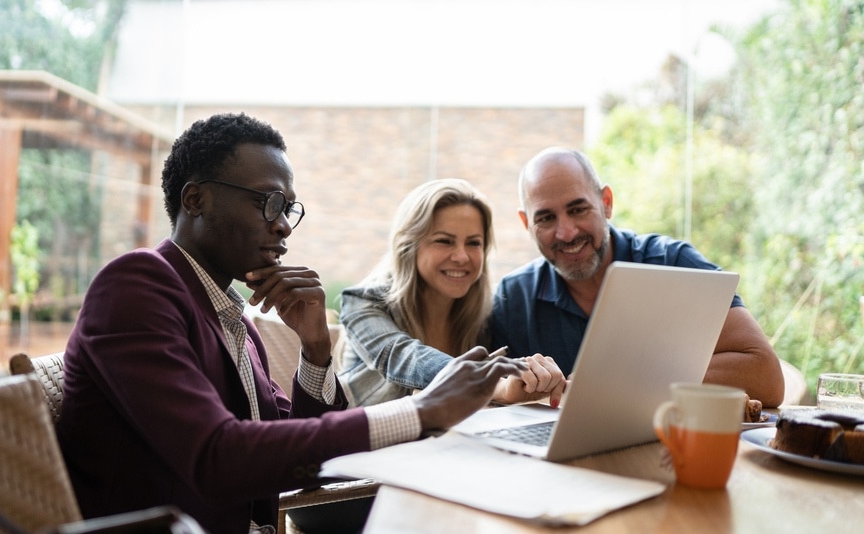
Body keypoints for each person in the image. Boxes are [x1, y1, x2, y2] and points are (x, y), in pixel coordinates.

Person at [55, 113, 528, 534]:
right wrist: (422, 411)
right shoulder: (136, 285)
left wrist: (316, 349)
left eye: (288, 209)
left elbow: (306, 457)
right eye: (269, 202)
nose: (282, 225)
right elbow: (217, 458)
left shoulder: (233, 317)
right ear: (195, 200)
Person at [489, 146, 785, 407]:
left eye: (578, 209)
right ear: (526, 223)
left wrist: (625, 382)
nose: (566, 232)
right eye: (545, 218)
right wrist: (505, 389)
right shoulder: (512, 298)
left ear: (606, 203)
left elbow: (766, 376)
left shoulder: (674, 264)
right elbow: (480, 386)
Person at [339, 178, 566, 408]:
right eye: (444, 241)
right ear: (409, 246)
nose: (461, 257)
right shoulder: (362, 302)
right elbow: (403, 358)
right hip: (365, 441)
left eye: (473, 243)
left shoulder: (486, 315)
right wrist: (495, 385)